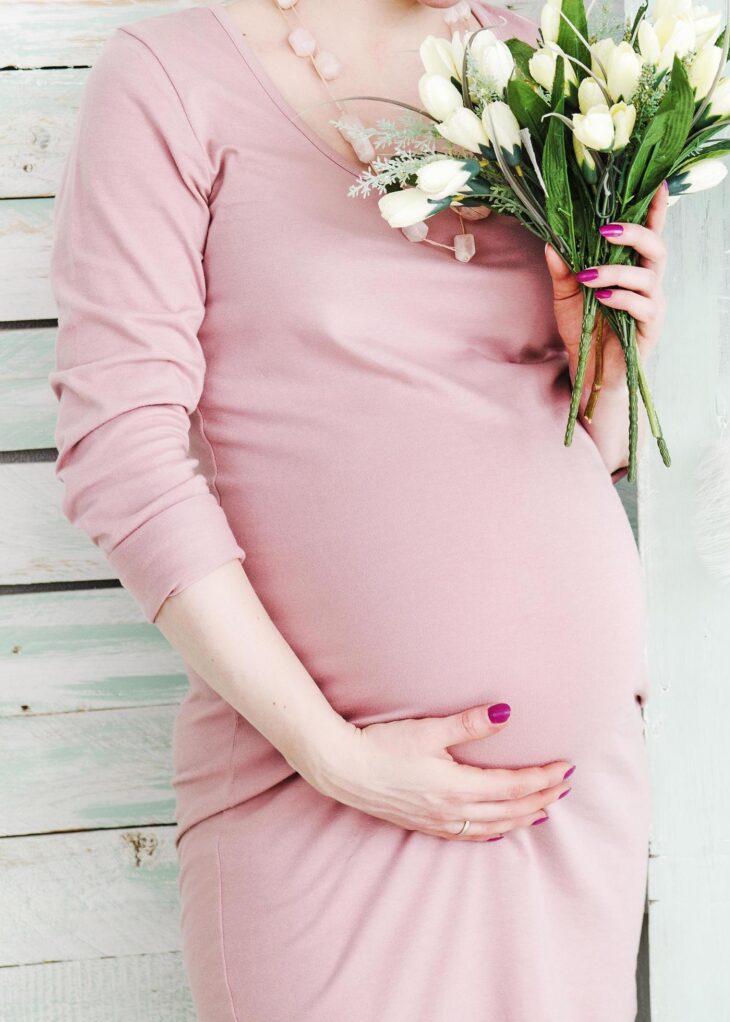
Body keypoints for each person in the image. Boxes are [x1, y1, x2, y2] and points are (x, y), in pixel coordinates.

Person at [48, 0, 669, 1017]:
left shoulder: (540, 68)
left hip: (562, 802)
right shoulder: (171, 76)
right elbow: (120, 454)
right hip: (315, 790)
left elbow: (584, 449)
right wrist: (338, 758)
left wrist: (604, 360)